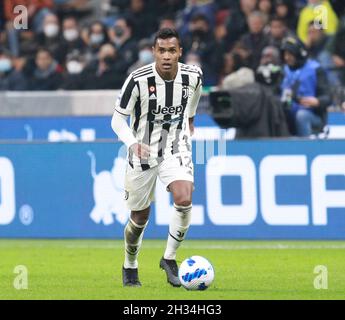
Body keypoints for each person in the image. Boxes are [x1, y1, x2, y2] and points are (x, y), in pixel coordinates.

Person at [111, 28, 202, 287]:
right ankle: (130, 264)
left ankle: (169, 258)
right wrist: (132, 144)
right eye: (161, 50)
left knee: (184, 197)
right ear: (154, 52)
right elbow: (117, 120)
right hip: (142, 151)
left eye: (171, 50)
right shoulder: (137, 80)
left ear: (180, 52)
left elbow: (194, 97)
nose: (166, 56)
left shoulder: (193, 75)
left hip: (175, 146)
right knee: (139, 219)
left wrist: (191, 119)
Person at [280, 36, 332, 137]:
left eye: (290, 54)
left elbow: (328, 97)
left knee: (301, 115)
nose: (287, 57)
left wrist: (317, 101)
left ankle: (305, 146)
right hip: (289, 113)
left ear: (299, 54)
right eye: (285, 54)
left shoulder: (315, 69)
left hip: (313, 116)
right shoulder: (283, 71)